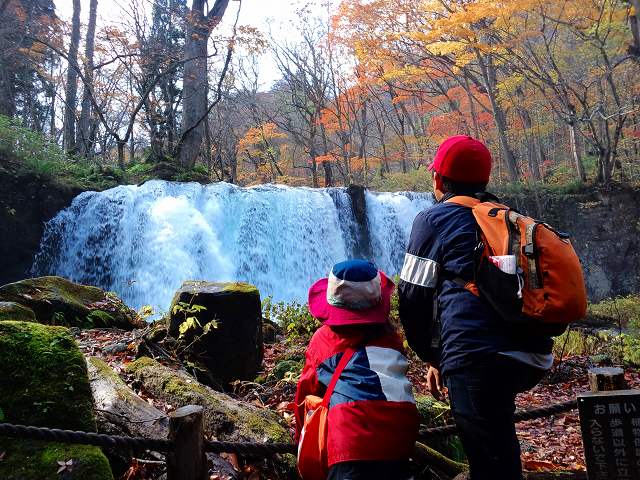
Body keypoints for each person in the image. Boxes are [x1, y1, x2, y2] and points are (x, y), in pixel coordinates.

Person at [398, 135, 564, 480]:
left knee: (490, 461)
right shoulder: (507, 217)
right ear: (485, 181)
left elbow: (413, 297)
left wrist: (431, 355)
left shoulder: (433, 220)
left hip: (477, 358)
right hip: (532, 355)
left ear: (437, 180)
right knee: (498, 444)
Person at [295, 259, 419, 480]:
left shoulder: (324, 340)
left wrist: (300, 439)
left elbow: (305, 392)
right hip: (400, 435)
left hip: (349, 443)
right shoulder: (392, 339)